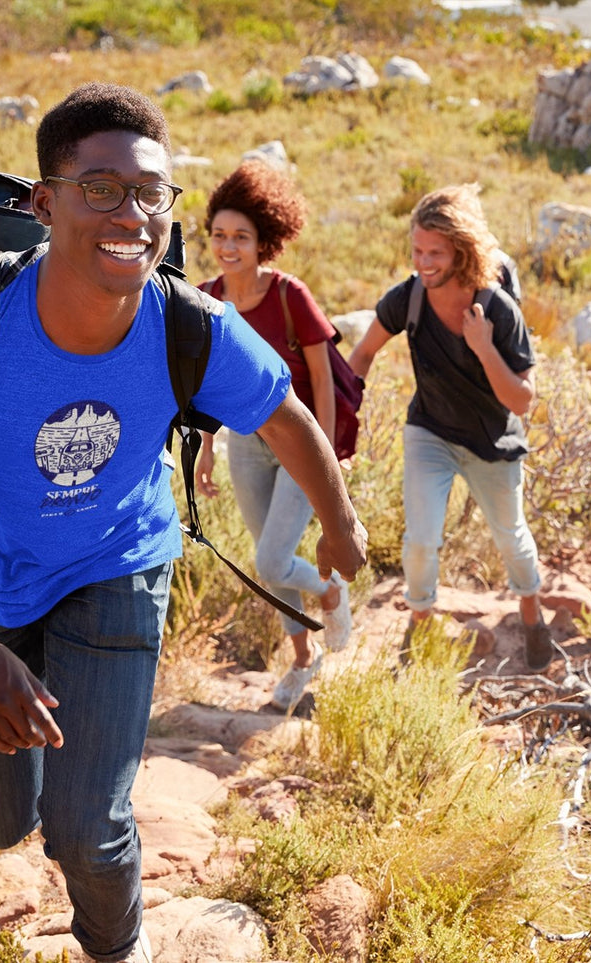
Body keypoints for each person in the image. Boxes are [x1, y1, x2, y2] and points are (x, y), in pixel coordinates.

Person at [0, 83, 366, 963]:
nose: (133, 214)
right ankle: (26, 789)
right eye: (101, 188)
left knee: (89, 826)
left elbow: (284, 411)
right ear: (45, 202)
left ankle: (118, 948)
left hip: (119, 563)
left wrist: (337, 523)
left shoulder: (188, 323)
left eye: (152, 193)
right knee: (0, 824)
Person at [348, 184, 554, 670]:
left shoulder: (499, 310)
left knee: (511, 536)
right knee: (420, 539)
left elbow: (522, 402)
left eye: (435, 253)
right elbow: (362, 354)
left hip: (493, 443)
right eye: (417, 250)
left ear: (462, 251)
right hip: (431, 432)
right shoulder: (410, 298)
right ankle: (419, 626)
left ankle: (531, 612)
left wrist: (483, 347)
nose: (423, 262)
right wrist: (339, 413)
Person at [195, 161, 352, 711]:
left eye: (241, 237)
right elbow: (202, 386)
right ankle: (303, 660)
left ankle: (332, 592)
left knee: (271, 562)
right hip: (244, 443)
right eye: (219, 236)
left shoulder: (290, 296)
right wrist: (205, 448)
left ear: (265, 240)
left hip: (299, 444)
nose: (229, 247)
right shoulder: (205, 298)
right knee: (271, 558)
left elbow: (326, 386)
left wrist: (327, 455)